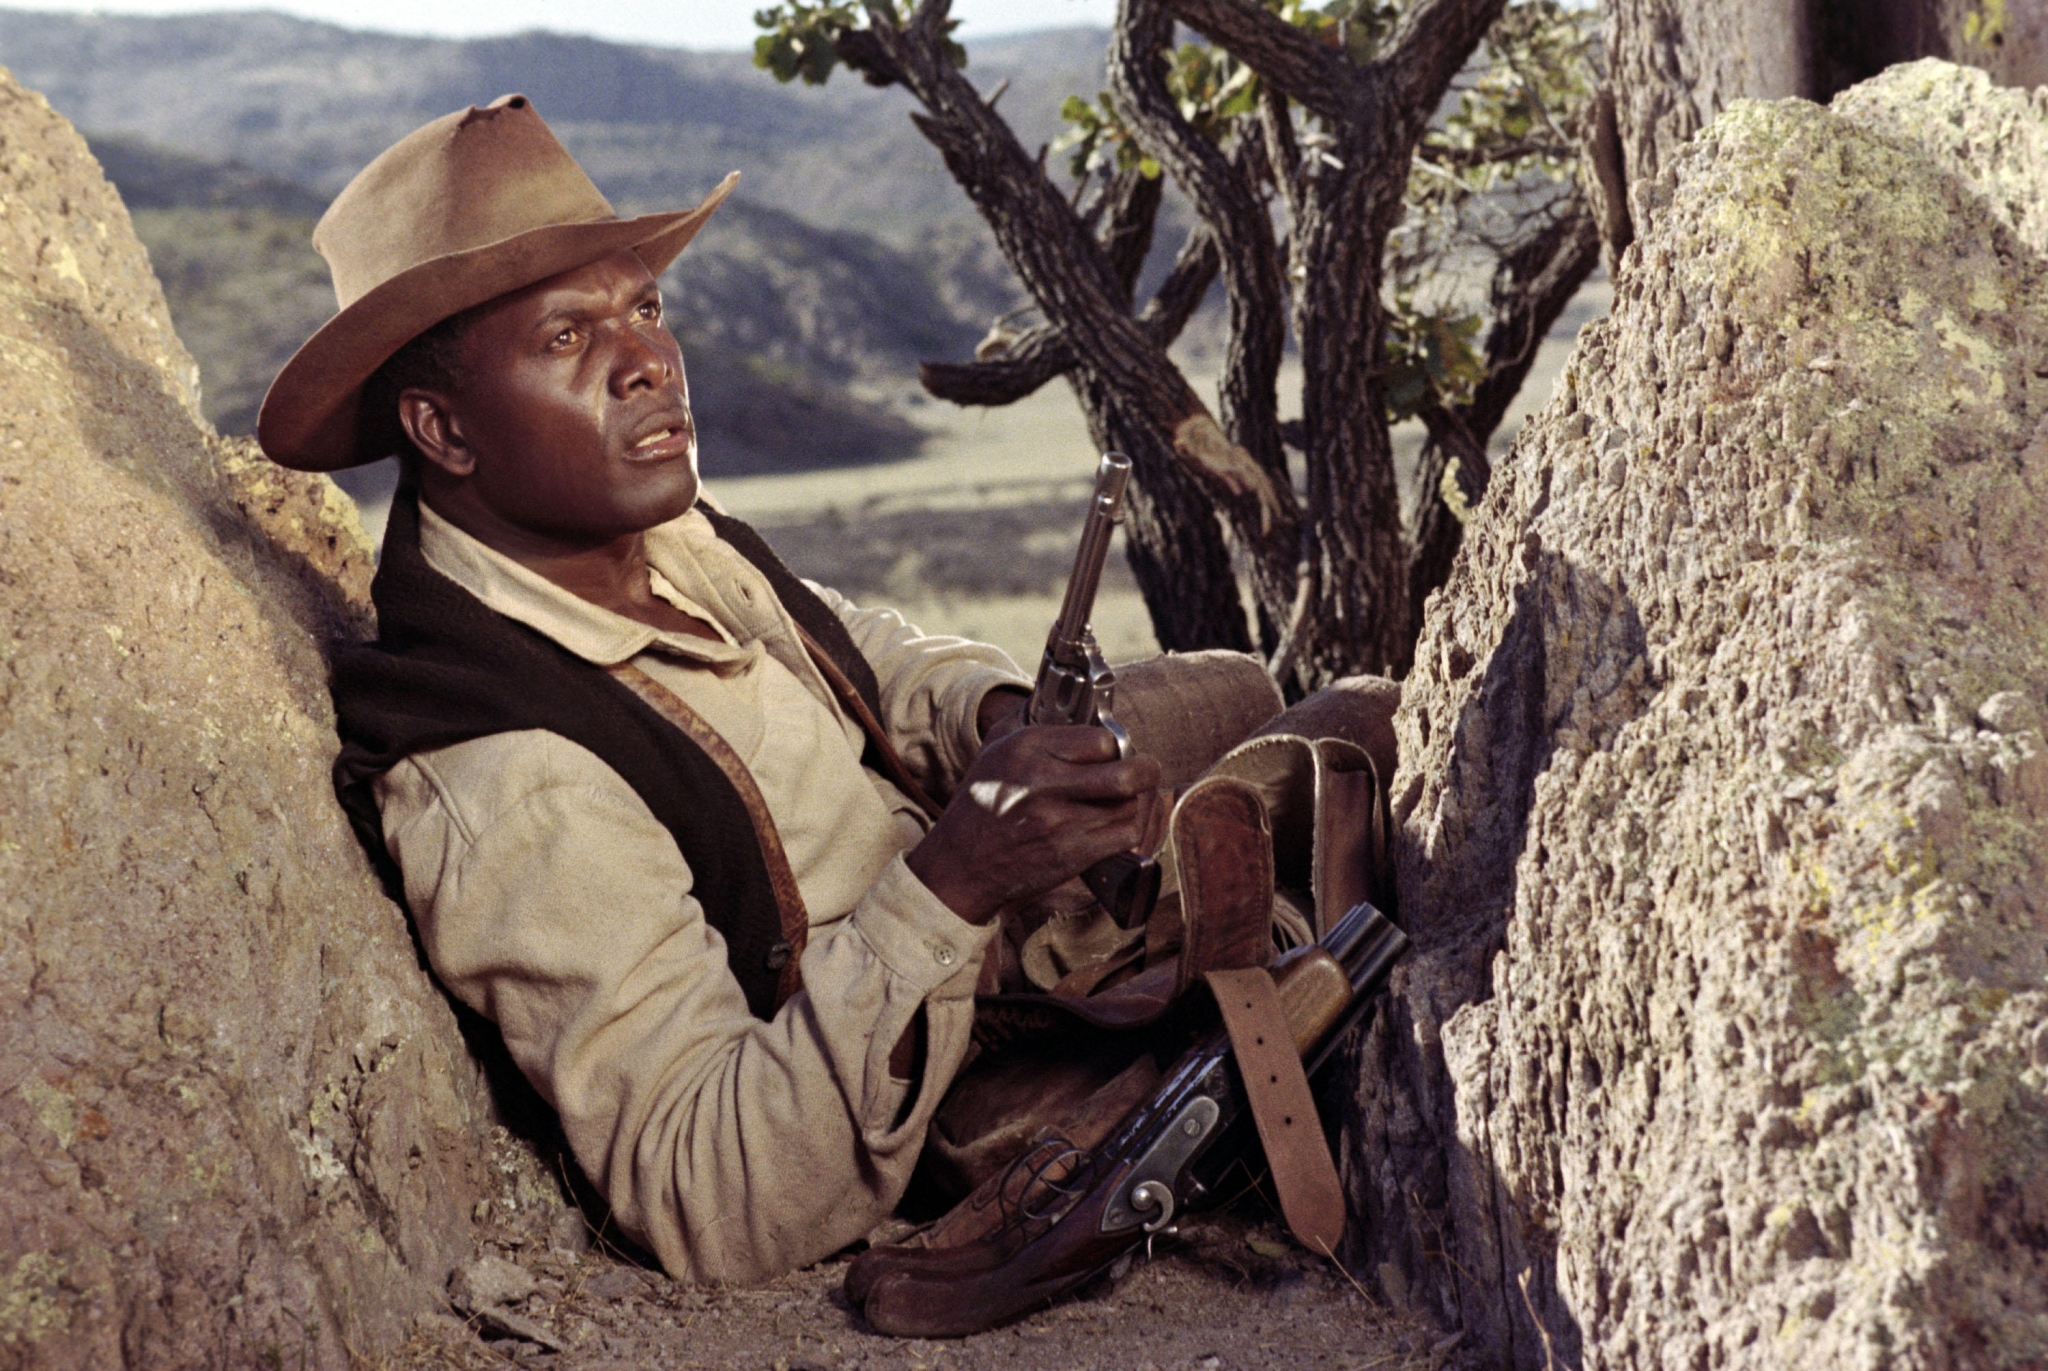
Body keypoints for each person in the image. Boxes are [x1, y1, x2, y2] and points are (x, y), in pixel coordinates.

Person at [259, 95, 1282, 1287]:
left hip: (979, 898)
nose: (646, 361)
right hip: (932, 1051)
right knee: (1335, 753)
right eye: (566, 338)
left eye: (644, 308)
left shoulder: (647, 528)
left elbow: (854, 646)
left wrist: (999, 718)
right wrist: (960, 876)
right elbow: (707, 1198)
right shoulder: (511, 772)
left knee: (1239, 692)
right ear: (443, 430)